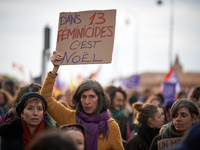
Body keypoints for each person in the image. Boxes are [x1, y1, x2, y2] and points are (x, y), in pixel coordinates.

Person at [40, 51, 124, 150]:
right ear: (79, 99)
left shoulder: (111, 127)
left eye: (92, 97)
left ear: (100, 99)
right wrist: (54, 70)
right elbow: (45, 98)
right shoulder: (70, 118)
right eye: (83, 97)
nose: (87, 101)